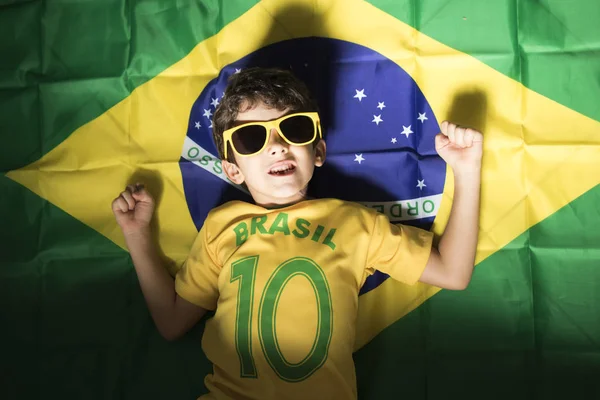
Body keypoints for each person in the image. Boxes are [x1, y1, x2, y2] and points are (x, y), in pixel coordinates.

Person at [112, 68, 483, 400]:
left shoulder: (355, 223)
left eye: (295, 128)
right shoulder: (221, 225)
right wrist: (137, 235)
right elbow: (172, 321)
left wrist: (467, 172)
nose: (276, 146)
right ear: (232, 169)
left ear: (318, 150)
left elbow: (452, 272)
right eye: (249, 138)